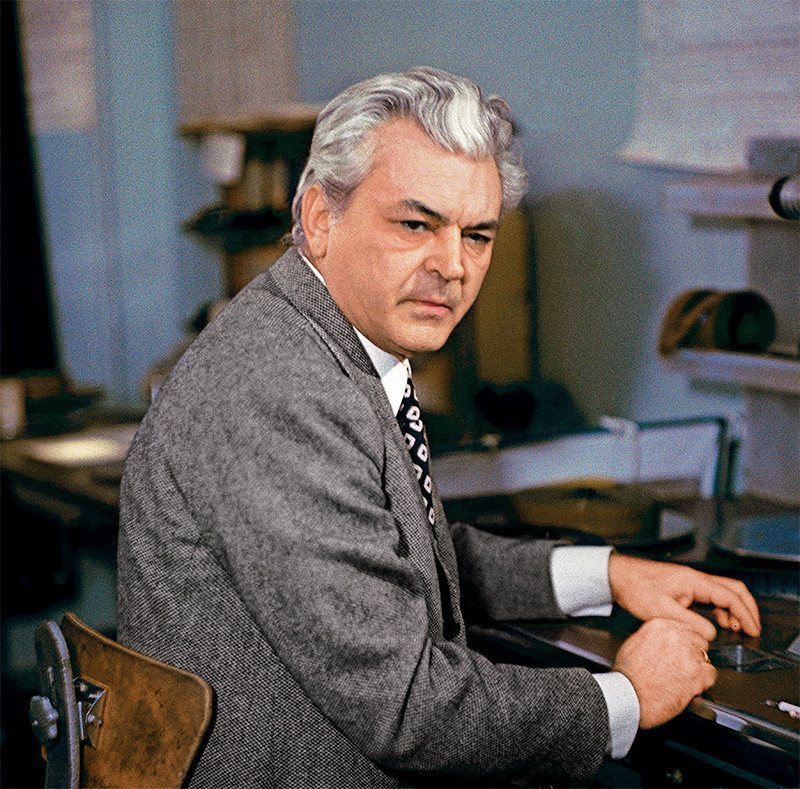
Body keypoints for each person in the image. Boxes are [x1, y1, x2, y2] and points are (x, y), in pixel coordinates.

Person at [117, 67, 760, 787]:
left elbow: (396, 557)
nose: (453, 266)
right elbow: (406, 707)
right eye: (416, 224)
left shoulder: (319, 337)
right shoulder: (280, 390)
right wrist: (626, 697)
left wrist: (604, 573)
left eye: (477, 235)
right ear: (320, 217)